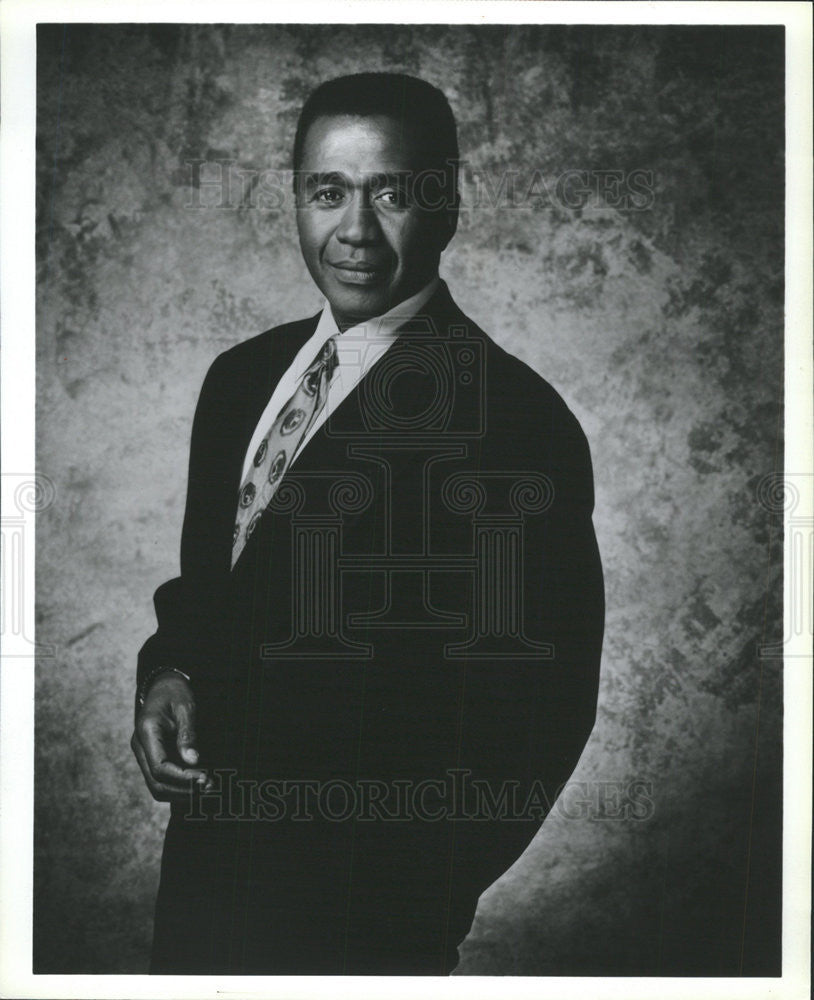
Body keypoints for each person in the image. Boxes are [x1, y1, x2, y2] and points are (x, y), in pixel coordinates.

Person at [132, 72, 604, 975]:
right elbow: (214, 595)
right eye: (328, 192)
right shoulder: (240, 378)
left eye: (391, 193)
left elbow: (542, 709)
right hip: (200, 894)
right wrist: (172, 669)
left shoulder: (516, 423)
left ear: (449, 205)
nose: (353, 230)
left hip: (362, 929)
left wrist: (414, 902)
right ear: (297, 198)